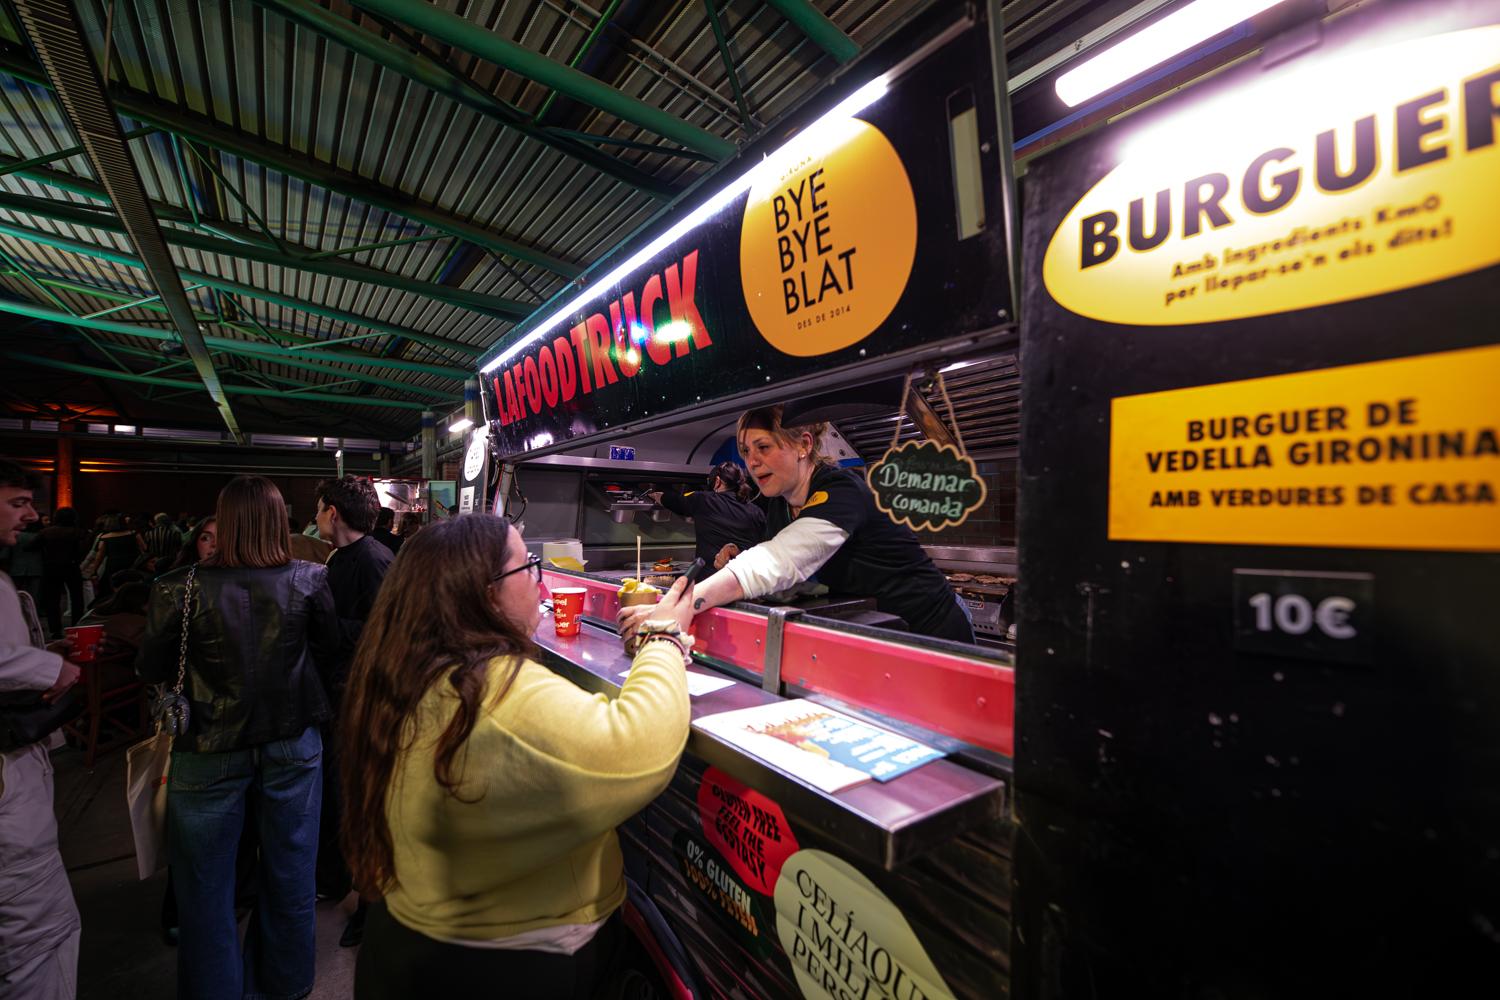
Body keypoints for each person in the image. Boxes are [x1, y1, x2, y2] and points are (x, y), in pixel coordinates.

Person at [340, 515, 693, 998]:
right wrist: (663, 638)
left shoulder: (409, 667)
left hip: (408, 936)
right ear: (486, 594)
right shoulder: (492, 692)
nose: (540, 583)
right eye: (528, 567)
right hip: (504, 961)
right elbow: (639, 746)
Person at [137, 476, 338, 1000]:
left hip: (206, 745)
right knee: (291, 870)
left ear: (223, 521)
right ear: (277, 521)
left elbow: (151, 667)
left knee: (204, 885)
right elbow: (330, 652)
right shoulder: (310, 579)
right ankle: (284, 985)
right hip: (293, 740)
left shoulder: (177, 586)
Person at [621, 405, 976, 645]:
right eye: (745, 451)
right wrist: (740, 554)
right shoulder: (778, 503)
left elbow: (780, 560)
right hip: (879, 632)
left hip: (932, 628)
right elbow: (779, 565)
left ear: (803, 445)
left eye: (763, 447)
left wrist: (680, 607)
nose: (752, 462)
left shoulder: (841, 490)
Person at [0, 459, 82, 999]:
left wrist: (38, 654)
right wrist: (49, 668)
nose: (31, 515)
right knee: (37, 938)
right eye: (17, 502)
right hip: (8, 785)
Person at [313, 474, 394, 944]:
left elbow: (385, 633)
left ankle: (370, 908)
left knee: (361, 802)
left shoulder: (373, 560)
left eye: (319, 509)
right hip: (340, 694)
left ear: (333, 513)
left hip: (362, 700)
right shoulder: (342, 557)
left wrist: (325, 626)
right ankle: (336, 881)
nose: (316, 518)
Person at [648, 461, 766, 568]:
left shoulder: (704, 499)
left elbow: (673, 500)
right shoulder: (756, 511)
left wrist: (653, 494)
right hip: (744, 580)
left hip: (711, 579)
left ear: (717, 481)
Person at [38, 507, 85, 639]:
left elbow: (30, 546)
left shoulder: (46, 532)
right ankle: (77, 626)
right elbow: (82, 549)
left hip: (51, 567)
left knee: (52, 599)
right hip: (72, 566)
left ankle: (55, 630)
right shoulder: (78, 532)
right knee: (77, 598)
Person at [83, 514, 138, 602]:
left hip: (114, 565)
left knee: (114, 588)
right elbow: (143, 549)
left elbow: (100, 556)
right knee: (132, 586)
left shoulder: (105, 537)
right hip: (132, 563)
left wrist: (94, 571)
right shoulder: (133, 534)